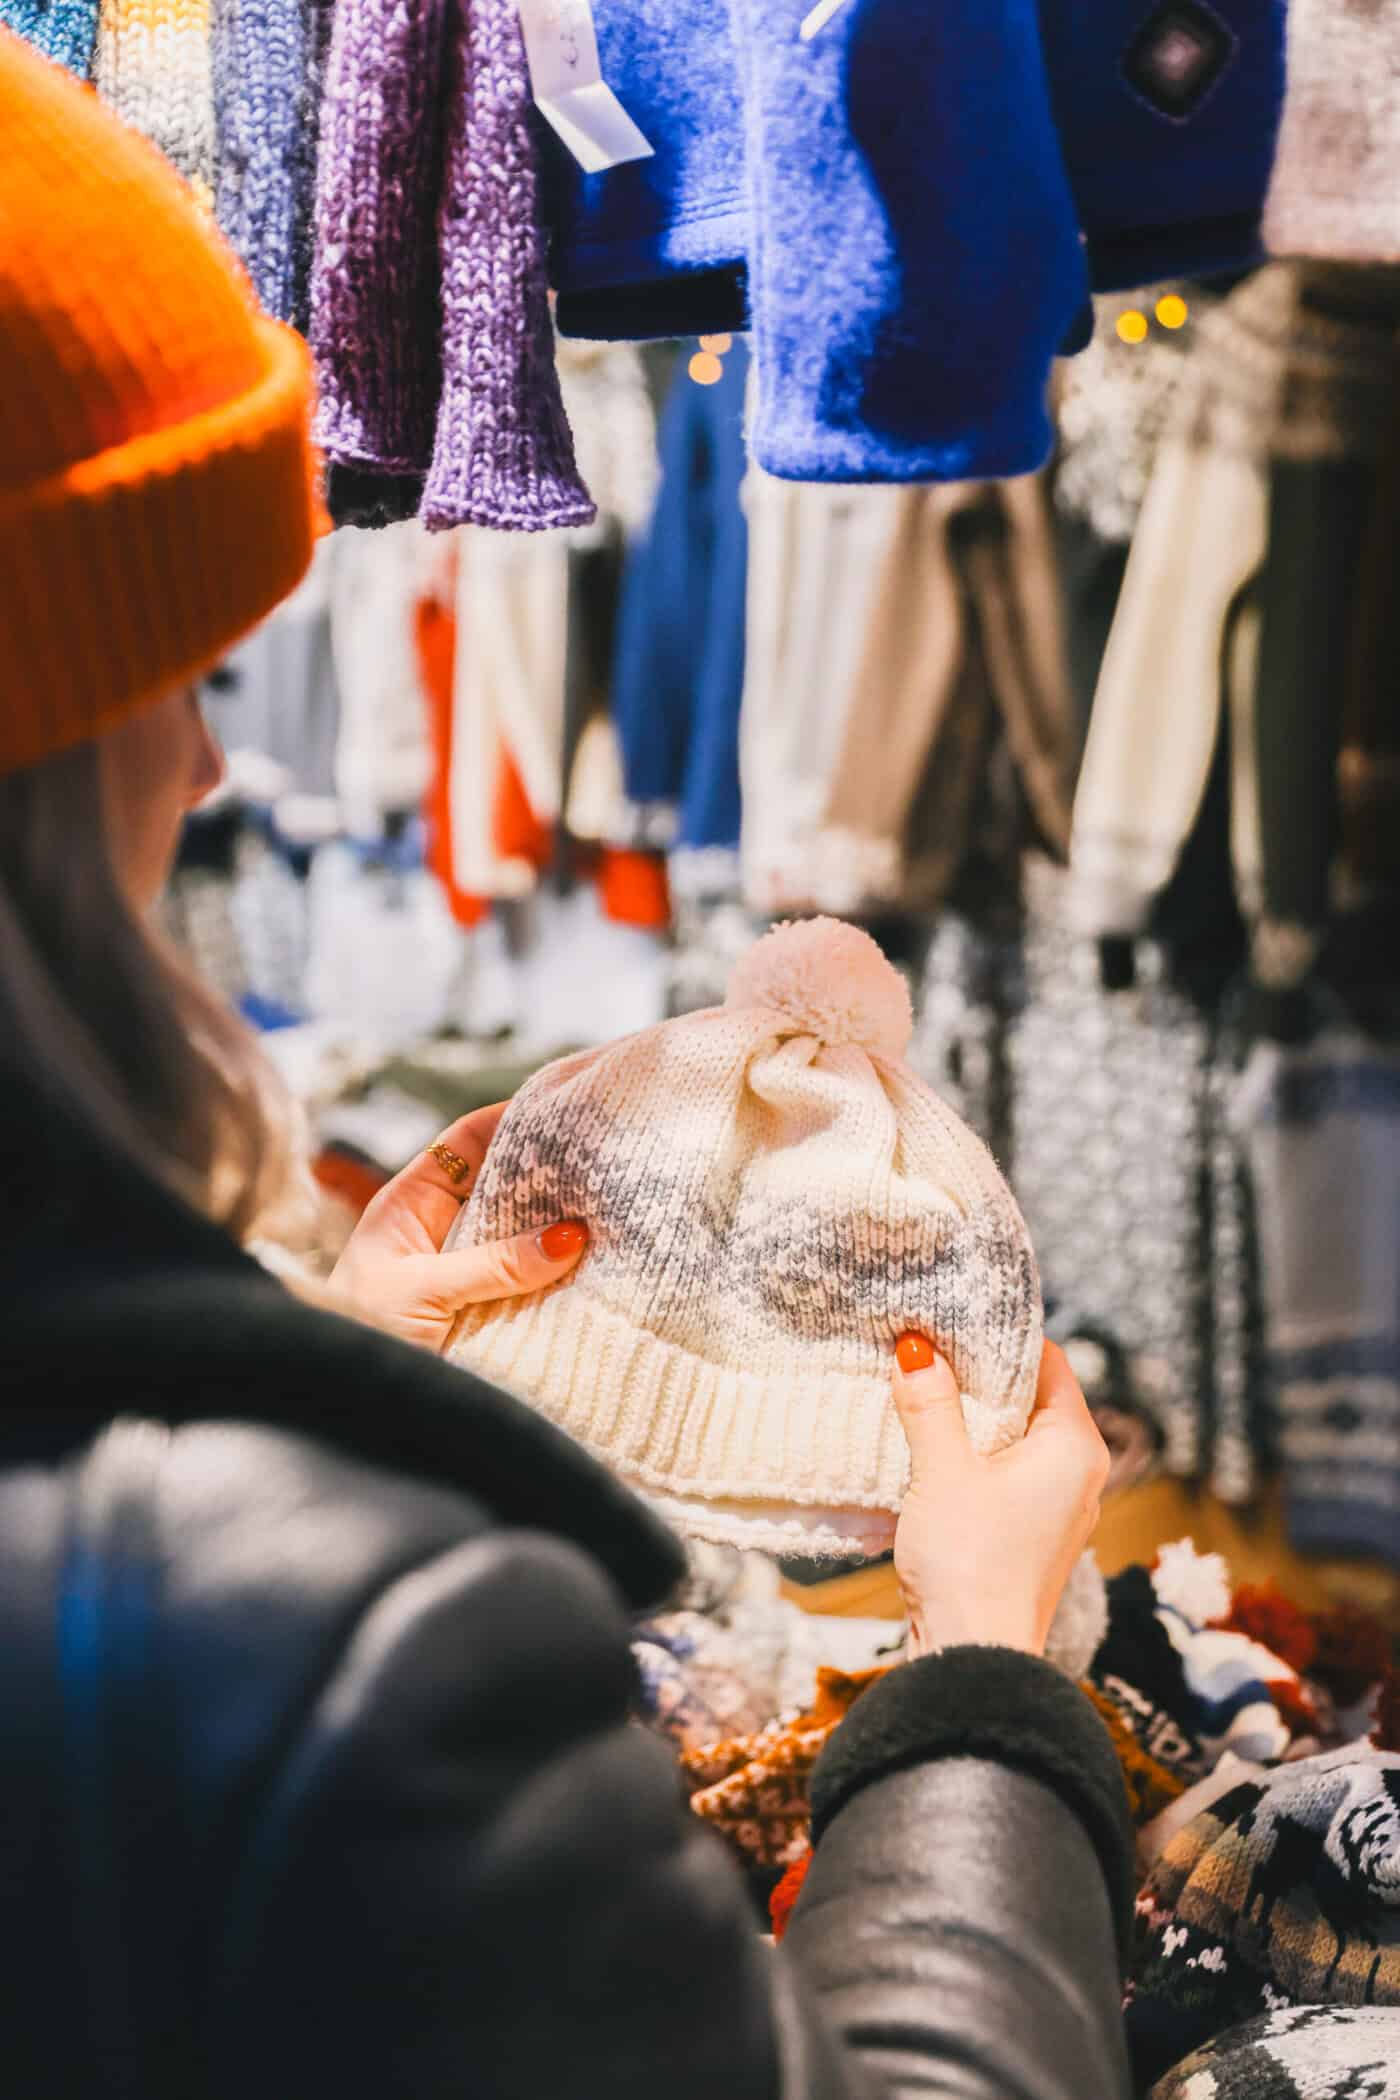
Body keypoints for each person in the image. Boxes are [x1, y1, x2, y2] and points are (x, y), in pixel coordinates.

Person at [0, 30, 1131, 2100]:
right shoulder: (343, 1634)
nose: (205, 756)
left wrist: (311, 1389)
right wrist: (976, 1680)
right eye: (165, 674)